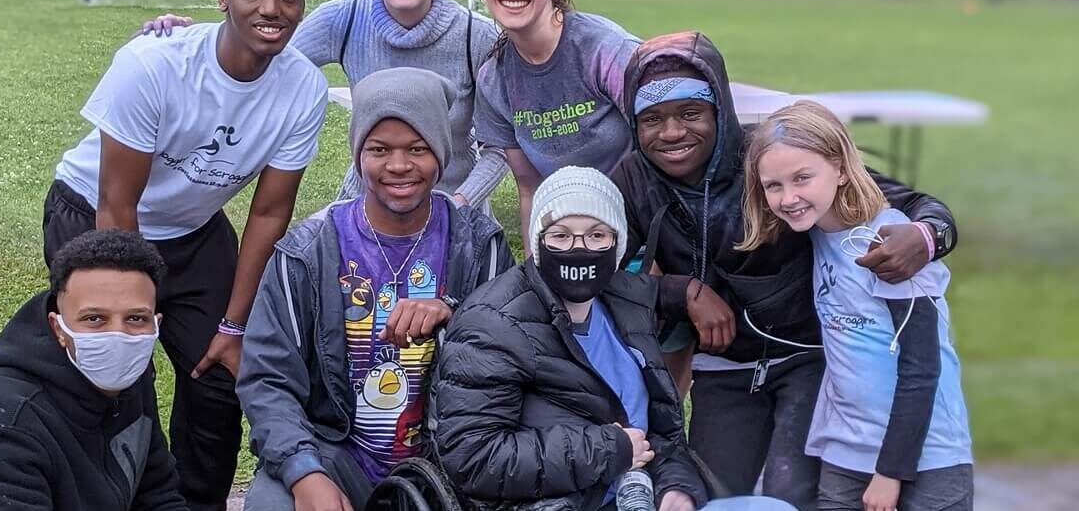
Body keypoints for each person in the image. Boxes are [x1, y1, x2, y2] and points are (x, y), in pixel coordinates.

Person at [608, 32, 960, 510]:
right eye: (652, 119)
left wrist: (926, 236)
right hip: (723, 365)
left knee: (788, 495)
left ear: (720, 111)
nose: (671, 133)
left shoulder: (770, 158)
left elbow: (913, 203)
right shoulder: (632, 179)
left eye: (691, 113)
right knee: (714, 493)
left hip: (806, 357)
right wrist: (681, 291)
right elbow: (604, 275)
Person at [43, 0, 328, 510]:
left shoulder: (303, 88)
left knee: (220, 375)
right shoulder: (153, 65)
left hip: (192, 230)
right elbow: (117, 206)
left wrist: (234, 326)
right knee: (121, 376)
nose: (270, 8)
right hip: (95, 217)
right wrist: (133, 317)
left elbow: (269, 213)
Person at [236, 67, 514, 511]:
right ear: (357, 153)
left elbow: (515, 359)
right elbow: (268, 379)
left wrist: (455, 314)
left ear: (441, 152)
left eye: (418, 149)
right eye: (379, 149)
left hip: (450, 461)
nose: (399, 166)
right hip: (337, 455)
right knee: (273, 502)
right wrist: (305, 473)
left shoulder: (480, 247)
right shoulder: (307, 253)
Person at [140, 0, 507, 209]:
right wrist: (189, 41)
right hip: (364, 206)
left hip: (453, 209)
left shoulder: (475, 36)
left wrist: (459, 204)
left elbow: (500, 146)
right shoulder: (345, 20)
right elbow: (260, 59)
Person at [738, 101, 973, 511]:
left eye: (802, 178)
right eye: (773, 185)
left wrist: (890, 472)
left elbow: (921, 367)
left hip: (928, 455)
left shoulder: (890, 243)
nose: (789, 197)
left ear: (842, 169)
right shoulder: (814, 233)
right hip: (845, 450)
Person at [432, 166, 709, 511]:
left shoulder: (627, 301)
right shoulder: (491, 323)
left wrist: (676, 487)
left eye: (597, 235)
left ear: (618, 244)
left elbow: (660, 434)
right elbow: (474, 458)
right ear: (538, 241)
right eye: (561, 236)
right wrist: (609, 450)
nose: (580, 249)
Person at [0, 229, 186, 511]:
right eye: (94, 318)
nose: (118, 335)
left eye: (135, 318)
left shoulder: (131, 380)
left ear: (155, 324)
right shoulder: (6, 429)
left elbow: (158, 495)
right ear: (58, 328)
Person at [471, 0, 640, 241]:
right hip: (569, 244)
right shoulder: (494, 80)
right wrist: (535, 269)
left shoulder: (606, 51)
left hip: (640, 237)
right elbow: (530, 190)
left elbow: (664, 160)